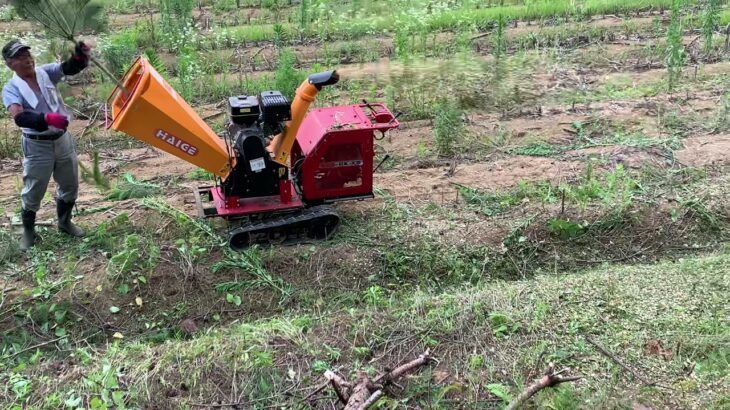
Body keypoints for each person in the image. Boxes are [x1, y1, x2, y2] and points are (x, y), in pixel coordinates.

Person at [2, 39, 92, 250]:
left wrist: (80, 56)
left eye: (28, 55)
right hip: (37, 145)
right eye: (21, 57)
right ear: (9, 64)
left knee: (70, 184)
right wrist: (47, 119)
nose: (28, 60)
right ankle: (28, 232)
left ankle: (64, 222)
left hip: (62, 140)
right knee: (34, 189)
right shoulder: (11, 88)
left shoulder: (45, 73)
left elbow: (68, 68)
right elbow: (20, 118)